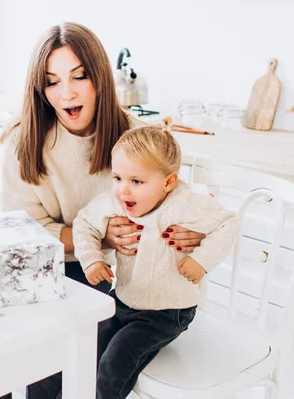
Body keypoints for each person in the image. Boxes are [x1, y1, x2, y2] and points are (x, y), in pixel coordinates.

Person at [0, 21, 207, 398]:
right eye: (53, 81)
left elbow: (177, 202)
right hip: (53, 269)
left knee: (88, 363)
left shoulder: (135, 136)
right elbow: (20, 230)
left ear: (99, 79)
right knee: (37, 358)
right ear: (40, 89)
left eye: (79, 77)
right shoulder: (22, 143)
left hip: (121, 279)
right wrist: (93, 235)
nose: (67, 92)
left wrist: (190, 235)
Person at [72, 124, 239, 398]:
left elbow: (229, 222)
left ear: (168, 182)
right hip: (123, 301)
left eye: (136, 182)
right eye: (117, 178)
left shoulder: (184, 204)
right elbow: (85, 223)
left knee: (114, 362)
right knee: (86, 347)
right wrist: (91, 259)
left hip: (165, 312)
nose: (123, 190)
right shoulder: (117, 201)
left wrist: (202, 260)